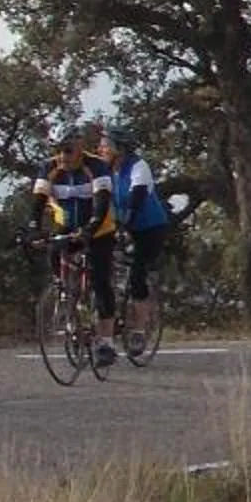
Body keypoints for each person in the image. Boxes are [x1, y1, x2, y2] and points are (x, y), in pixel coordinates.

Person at [31, 127, 119, 366]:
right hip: (67, 227)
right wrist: (33, 228)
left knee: (101, 282)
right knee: (55, 256)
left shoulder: (97, 166)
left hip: (99, 229)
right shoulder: (48, 168)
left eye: (68, 150)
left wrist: (90, 229)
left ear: (80, 148)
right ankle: (67, 302)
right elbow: (38, 202)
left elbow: (102, 203)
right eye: (58, 151)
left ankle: (106, 342)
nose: (63, 156)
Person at [105, 126, 173, 349]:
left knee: (136, 276)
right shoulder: (105, 171)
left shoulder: (138, 166)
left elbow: (138, 195)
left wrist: (125, 221)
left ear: (118, 149)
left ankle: (139, 331)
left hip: (150, 228)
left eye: (106, 145)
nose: (101, 148)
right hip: (122, 226)